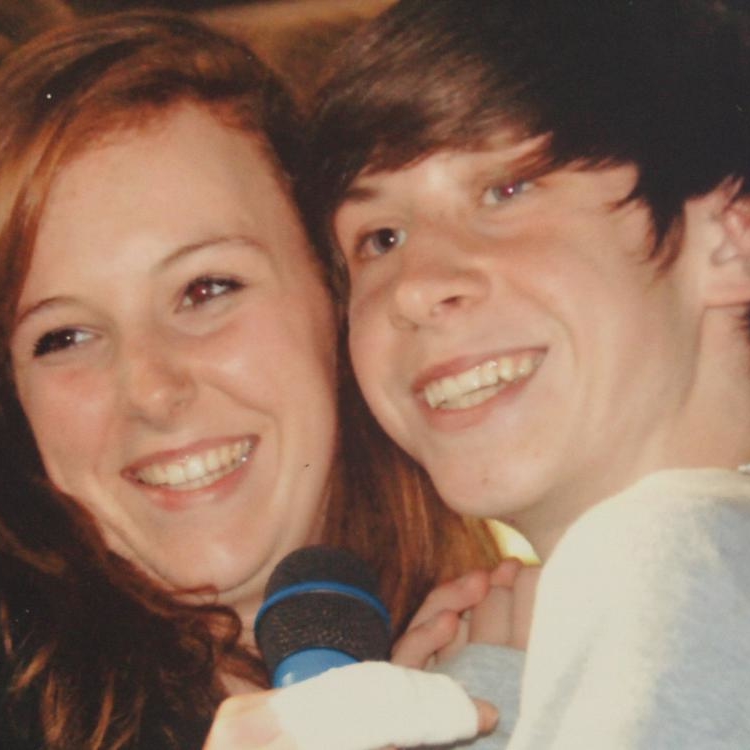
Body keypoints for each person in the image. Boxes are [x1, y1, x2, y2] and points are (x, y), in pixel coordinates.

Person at [0, 10, 502, 749]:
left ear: (335, 292)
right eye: (64, 337)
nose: (151, 391)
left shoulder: (535, 653)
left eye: (206, 290)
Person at [294, 0, 750, 747]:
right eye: (381, 238)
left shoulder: (672, 554)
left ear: (731, 240)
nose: (414, 287)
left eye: (506, 191)